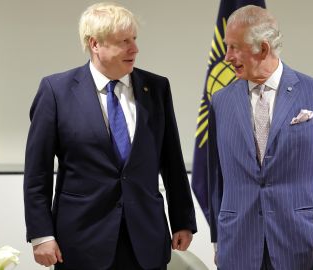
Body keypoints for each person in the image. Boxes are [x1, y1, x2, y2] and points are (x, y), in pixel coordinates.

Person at [23, 2, 197, 270]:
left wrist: (182, 220)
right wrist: (41, 235)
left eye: (135, 39)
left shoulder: (157, 88)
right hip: (82, 242)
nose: (135, 48)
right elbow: (37, 172)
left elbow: (171, 159)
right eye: (124, 41)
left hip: (146, 240)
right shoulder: (56, 91)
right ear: (95, 44)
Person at [207, 5, 313, 270]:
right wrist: (218, 240)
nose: (227, 57)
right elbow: (215, 177)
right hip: (237, 245)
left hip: (301, 244)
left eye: (235, 47)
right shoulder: (220, 102)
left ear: (262, 48)